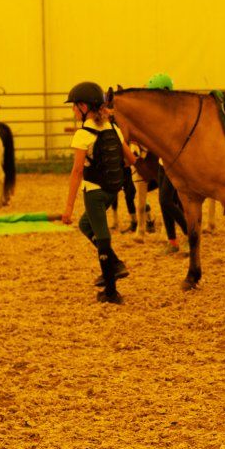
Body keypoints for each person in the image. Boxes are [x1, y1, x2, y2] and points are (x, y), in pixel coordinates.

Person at [62, 81, 137, 304]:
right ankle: (115, 263)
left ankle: (111, 291)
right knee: (86, 224)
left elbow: (77, 172)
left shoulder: (83, 134)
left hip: (94, 192)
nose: (73, 110)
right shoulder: (113, 128)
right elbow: (130, 159)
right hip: (112, 191)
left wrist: (68, 208)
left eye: (74, 106)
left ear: (84, 107)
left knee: (102, 237)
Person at [145, 73, 188, 254]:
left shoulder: (175, 111)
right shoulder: (160, 111)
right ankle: (173, 242)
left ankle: (190, 234)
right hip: (163, 161)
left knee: (166, 200)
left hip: (175, 161)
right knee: (163, 202)